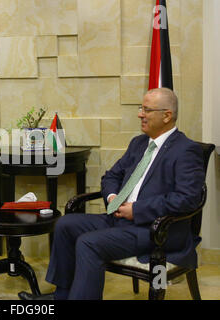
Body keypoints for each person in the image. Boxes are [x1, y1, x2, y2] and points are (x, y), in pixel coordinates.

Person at [19, 88, 205, 300]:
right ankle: (62, 295)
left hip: (154, 229)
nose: (140, 114)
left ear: (167, 115)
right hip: (119, 218)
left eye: (146, 110)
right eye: (140, 108)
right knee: (65, 224)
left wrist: (137, 210)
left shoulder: (186, 150)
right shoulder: (139, 143)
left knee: (89, 242)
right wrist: (112, 198)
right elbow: (111, 177)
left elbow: (187, 199)